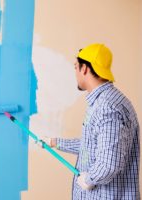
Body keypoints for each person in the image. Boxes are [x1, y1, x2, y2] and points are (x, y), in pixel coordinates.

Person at [42, 43, 140, 199]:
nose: (75, 72)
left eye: (76, 66)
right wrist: (54, 142)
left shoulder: (107, 108)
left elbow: (108, 164)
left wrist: (89, 179)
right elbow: (93, 146)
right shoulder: (106, 101)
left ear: (85, 68)